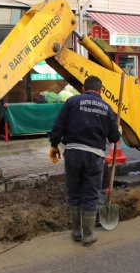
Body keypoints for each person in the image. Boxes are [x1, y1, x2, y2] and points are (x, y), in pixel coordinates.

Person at [49, 76, 120, 246]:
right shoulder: (107, 108)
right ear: (101, 90)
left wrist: (54, 144)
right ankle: (88, 234)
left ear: (83, 88)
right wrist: (118, 130)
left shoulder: (72, 102)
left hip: (72, 153)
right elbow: (114, 137)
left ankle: (76, 232)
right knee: (90, 195)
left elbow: (58, 126)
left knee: (74, 193)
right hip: (94, 156)